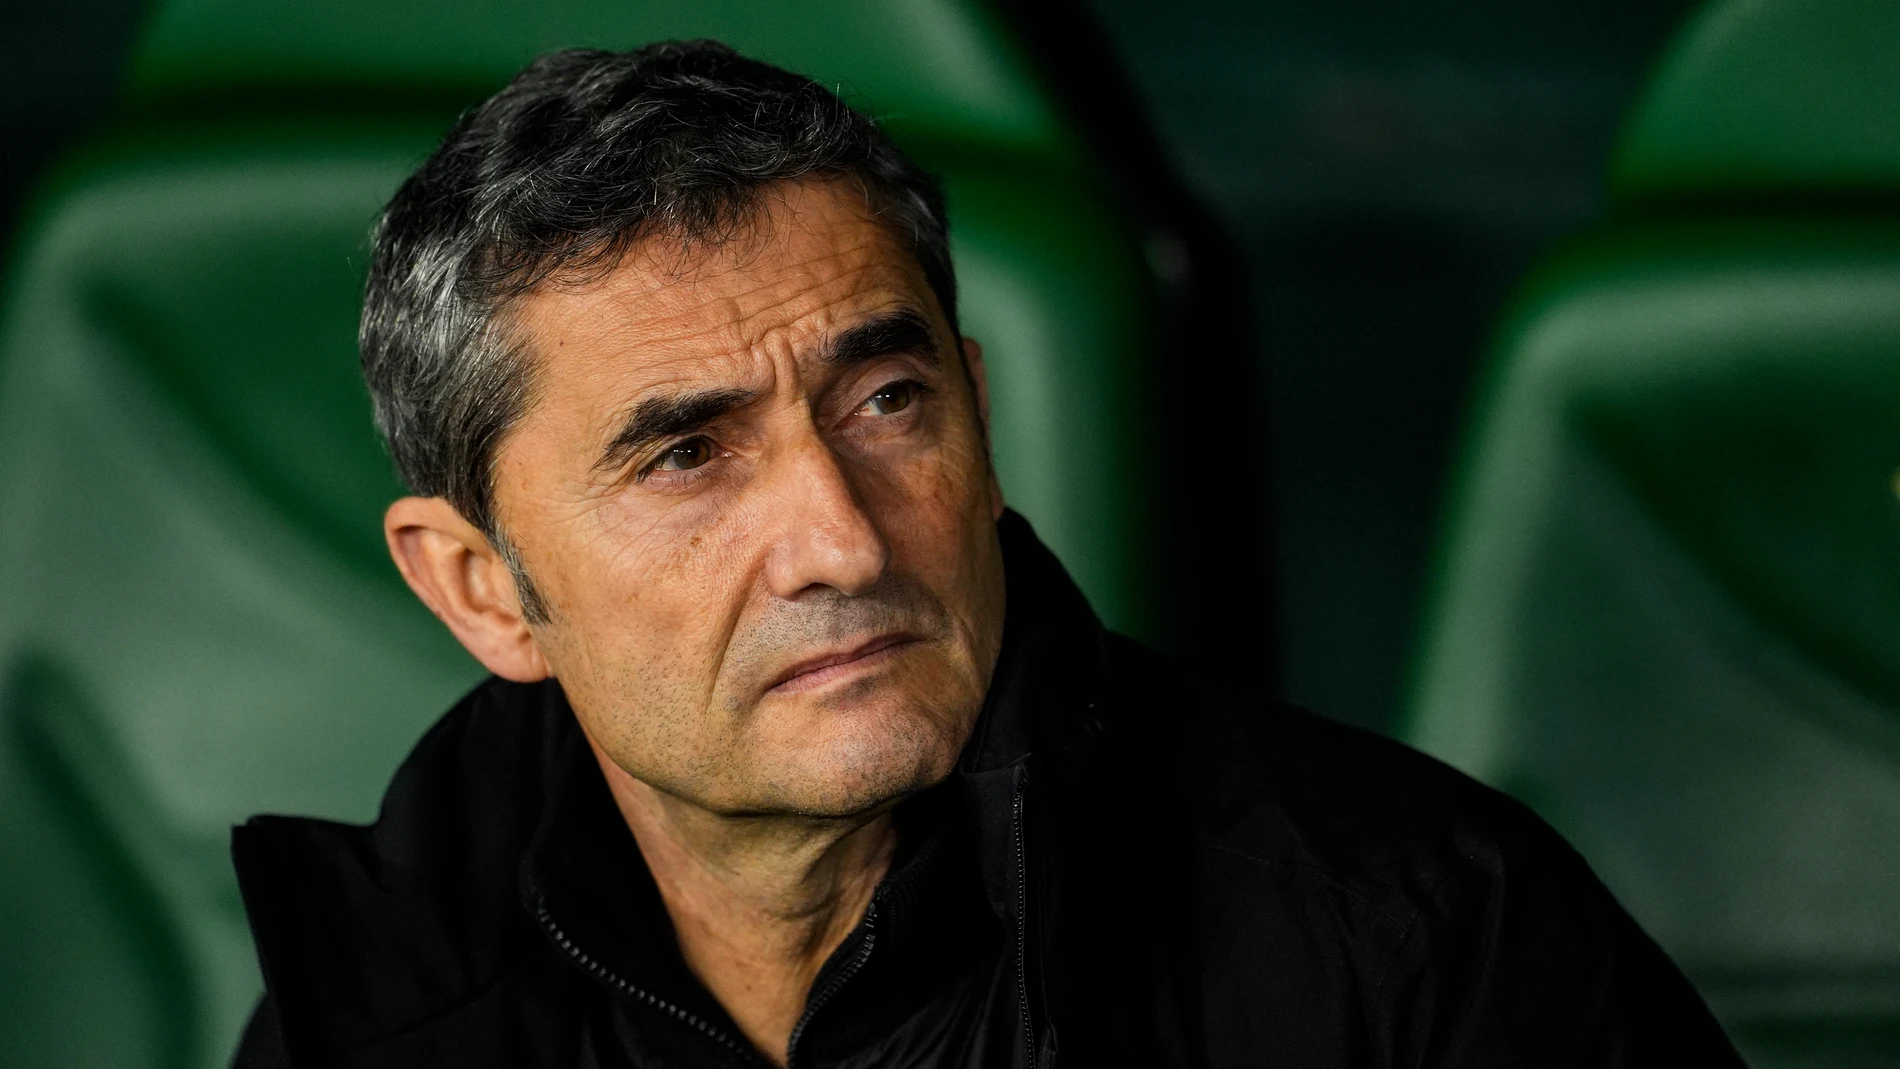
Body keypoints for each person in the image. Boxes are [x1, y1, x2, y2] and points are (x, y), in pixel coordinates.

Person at [229, 40, 1743, 1069]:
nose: (838, 538)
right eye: (689, 458)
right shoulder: (375, 994)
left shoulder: (1417, 949)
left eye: (888, 402)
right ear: (482, 589)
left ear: (978, 401)